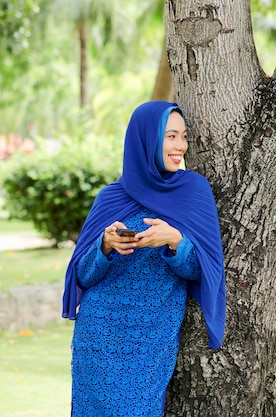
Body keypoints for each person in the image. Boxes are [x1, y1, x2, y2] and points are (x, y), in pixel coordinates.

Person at [62, 101, 226, 417]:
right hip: (99, 335)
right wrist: (105, 247)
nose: (181, 146)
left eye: (184, 136)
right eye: (171, 136)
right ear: (147, 139)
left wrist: (174, 241)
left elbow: (204, 270)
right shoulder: (112, 196)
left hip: (152, 339)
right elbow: (82, 276)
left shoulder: (193, 191)